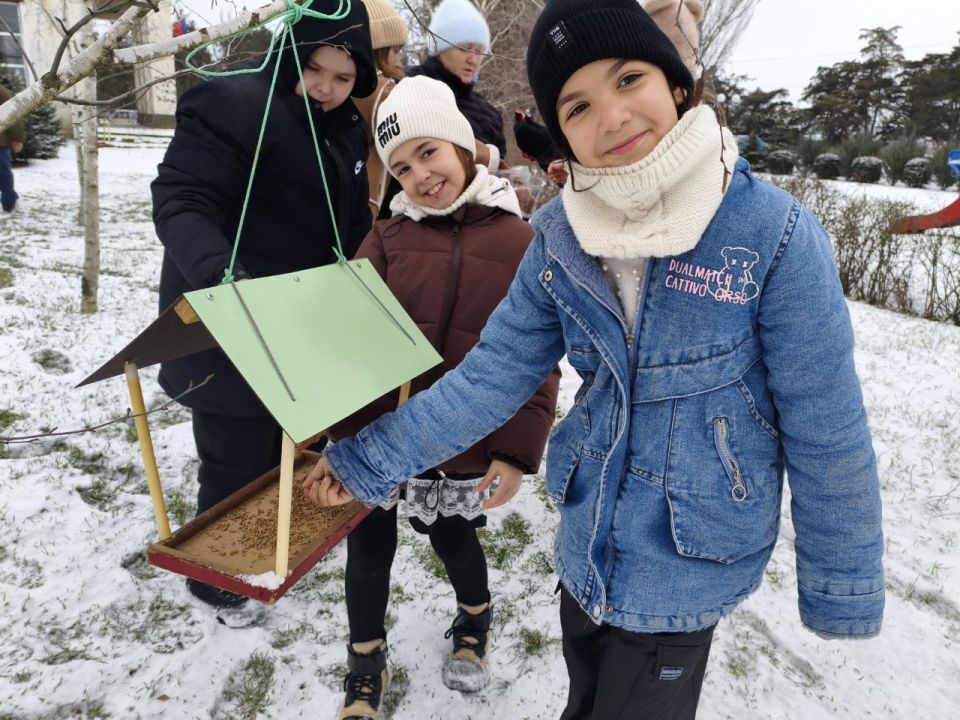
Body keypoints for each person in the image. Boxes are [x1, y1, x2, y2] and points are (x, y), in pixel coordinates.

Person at [305, 0, 887, 717]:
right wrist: (367, 459)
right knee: (585, 696)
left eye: (629, 78)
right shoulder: (561, 238)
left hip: (689, 559)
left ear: (677, 84)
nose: (609, 117)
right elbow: (489, 380)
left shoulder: (774, 237)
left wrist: (842, 582)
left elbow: (826, 425)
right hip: (586, 540)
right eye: (576, 106)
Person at [325, 75, 560, 720]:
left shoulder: (520, 242)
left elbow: (539, 361)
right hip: (380, 431)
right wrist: (337, 434)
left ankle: (474, 618)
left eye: (428, 153)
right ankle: (365, 661)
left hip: (463, 441)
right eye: (400, 167)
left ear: (461, 145)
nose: (419, 176)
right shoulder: (387, 239)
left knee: (455, 537)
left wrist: (514, 451)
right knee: (368, 549)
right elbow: (351, 338)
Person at [150, 2, 378, 625]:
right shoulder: (232, 105)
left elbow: (351, 220)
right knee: (233, 452)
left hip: (300, 326)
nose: (328, 88)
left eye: (343, 77)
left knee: (285, 444)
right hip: (232, 324)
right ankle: (220, 584)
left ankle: (263, 539)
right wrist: (228, 281)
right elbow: (180, 200)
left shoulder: (343, 129)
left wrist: (371, 267)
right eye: (316, 69)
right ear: (288, 56)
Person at [407, 0, 507, 165]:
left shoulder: (489, 114)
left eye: (479, 51)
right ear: (440, 49)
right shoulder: (405, 86)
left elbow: (498, 175)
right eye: (464, 48)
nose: (473, 59)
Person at [354, 0, 409, 221]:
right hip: (369, 216)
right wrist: (491, 157)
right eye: (394, 50)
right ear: (376, 49)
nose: (399, 60)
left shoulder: (339, 88)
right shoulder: (385, 93)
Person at [0, 83, 25, 213]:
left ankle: (9, 203)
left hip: (0, 143)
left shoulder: (1, 91)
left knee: (3, 175)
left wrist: (17, 138)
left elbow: (12, 111)